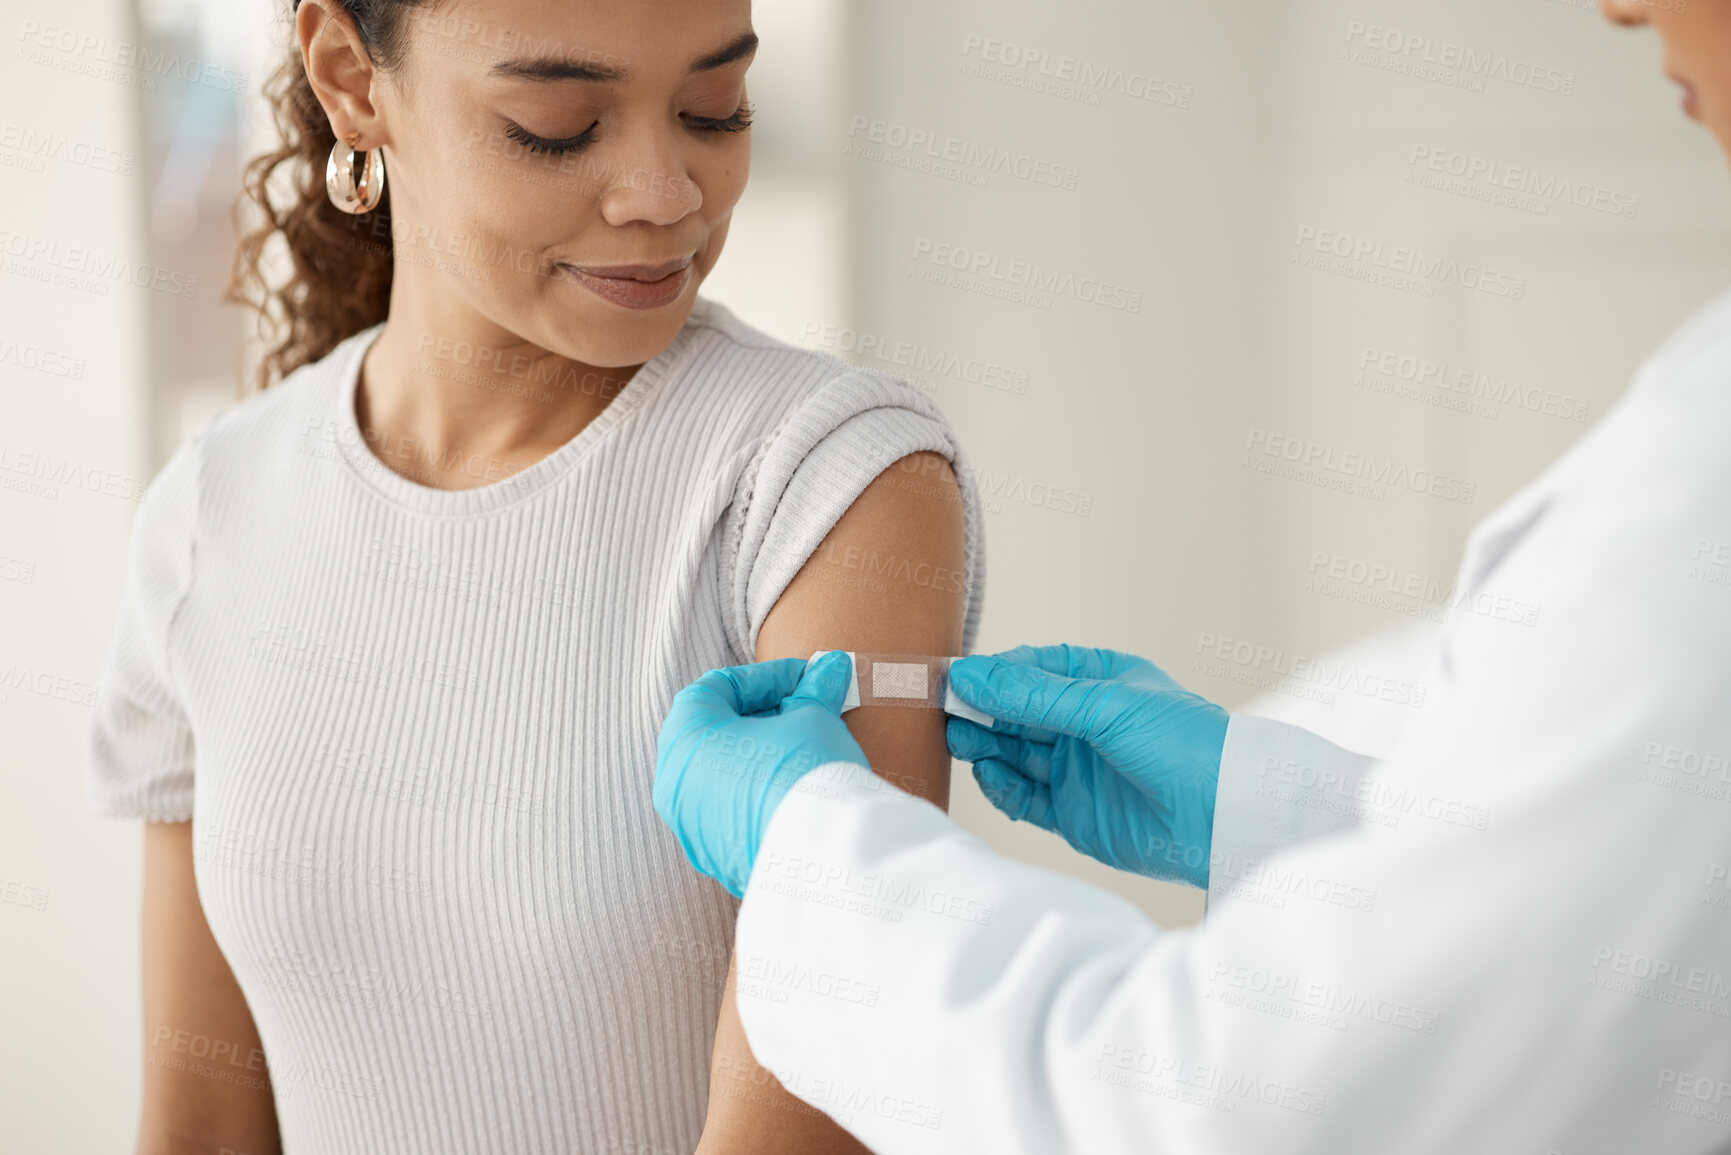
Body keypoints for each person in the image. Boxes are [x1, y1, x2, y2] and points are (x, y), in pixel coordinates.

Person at [652, 2, 1731, 1151]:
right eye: (554, 127)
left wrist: (814, 857)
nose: (1619, 4)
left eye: (720, 111)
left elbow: (1239, 1109)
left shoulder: (837, 461)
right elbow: (1588, 911)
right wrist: (1262, 805)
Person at [87, 1, 985, 1152]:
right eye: (560, 125)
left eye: (715, 107)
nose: (666, 192)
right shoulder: (213, 516)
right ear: (353, 80)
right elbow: (202, 1128)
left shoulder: (823, 486)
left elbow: (821, 1120)